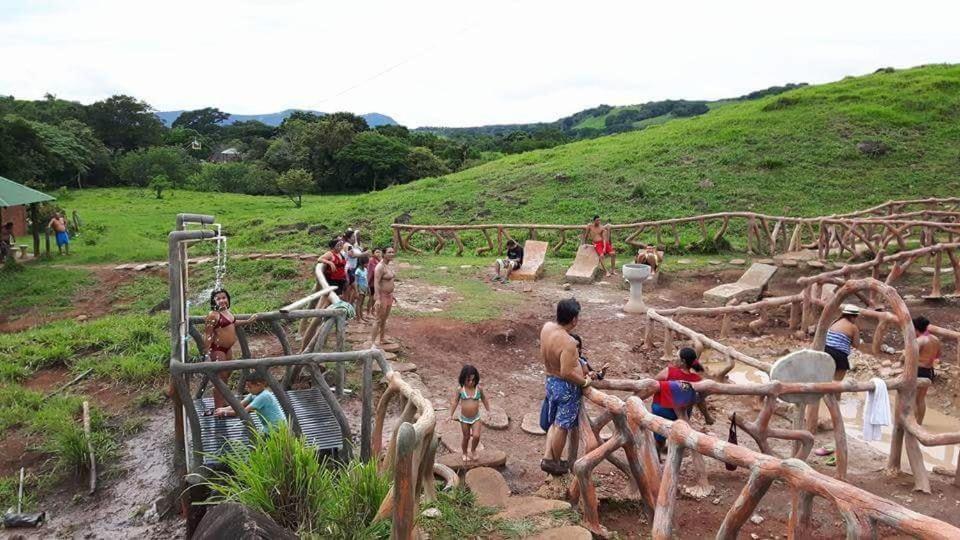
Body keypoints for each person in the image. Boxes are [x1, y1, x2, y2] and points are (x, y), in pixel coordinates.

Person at [539, 298, 589, 475]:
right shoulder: (568, 343)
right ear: (574, 319)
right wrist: (584, 382)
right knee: (562, 425)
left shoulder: (546, 328)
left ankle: (547, 457)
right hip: (565, 387)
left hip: (550, 381)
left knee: (554, 422)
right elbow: (567, 372)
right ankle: (555, 461)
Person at [204, 289, 258, 408]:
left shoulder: (227, 312)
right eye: (218, 299)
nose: (222, 300)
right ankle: (218, 408)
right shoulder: (212, 315)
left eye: (224, 297)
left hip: (227, 349)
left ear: (228, 299)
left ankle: (223, 401)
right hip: (218, 349)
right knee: (220, 379)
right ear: (214, 301)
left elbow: (233, 322)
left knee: (226, 376)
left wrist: (247, 321)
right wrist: (206, 355)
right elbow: (208, 335)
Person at [652, 347, 707, 447]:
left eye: (676, 357)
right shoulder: (697, 379)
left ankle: (659, 450)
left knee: (659, 439)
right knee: (679, 438)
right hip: (683, 415)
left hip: (662, 410)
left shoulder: (668, 371)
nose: (674, 358)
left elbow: (653, 385)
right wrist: (707, 417)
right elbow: (701, 401)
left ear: (683, 361)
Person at [213, 372, 286, 433]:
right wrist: (223, 409)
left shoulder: (264, 396)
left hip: (276, 427)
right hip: (267, 425)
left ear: (259, 385)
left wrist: (224, 413)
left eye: (250, 387)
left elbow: (243, 412)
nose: (248, 389)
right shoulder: (253, 394)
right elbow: (239, 405)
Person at [450, 364, 491, 462]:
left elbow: (484, 399)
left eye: (473, 380)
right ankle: (464, 452)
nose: (471, 382)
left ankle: (473, 450)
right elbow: (455, 402)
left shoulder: (478, 389)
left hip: (476, 418)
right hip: (464, 419)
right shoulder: (460, 390)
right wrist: (450, 415)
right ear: (463, 379)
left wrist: (488, 411)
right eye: (468, 380)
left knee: (476, 436)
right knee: (466, 437)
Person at [914, 316, 941, 425]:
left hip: (918, 371)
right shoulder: (936, 339)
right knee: (921, 399)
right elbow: (938, 356)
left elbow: (909, 358)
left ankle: (912, 423)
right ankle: (919, 423)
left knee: (913, 399)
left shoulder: (919, 341)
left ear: (915, 329)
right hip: (929, 371)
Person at [824, 304, 861, 381]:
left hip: (825, 349)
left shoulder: (835, 322)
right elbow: (856, 345)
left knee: (825, 377)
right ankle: (835, 392)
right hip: (839, 355)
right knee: (837, 381)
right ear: (852, 316)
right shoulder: (853, 327)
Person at [369, 246, 397, 346]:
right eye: (389, 252)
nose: (391, 254)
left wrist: (392, 294)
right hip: (382, 296)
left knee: (384, 319)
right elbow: (376, 282)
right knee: (378, 319)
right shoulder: (380, 267)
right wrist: (377, 299)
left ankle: (382, 339)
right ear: (384, 254)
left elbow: (390, 281)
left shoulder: (389, 265)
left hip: (389, 295)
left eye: (393, 252)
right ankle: (372, 343)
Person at [365, 248, 382, 317]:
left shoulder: (379, 261)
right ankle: (368, 312)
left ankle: (373, 311)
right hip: (372, 283)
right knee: (371, 298)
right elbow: (369, 273)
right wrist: (367, 283)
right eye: (376, 252)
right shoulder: (371, 261)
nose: (378, 254)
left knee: (375, 298)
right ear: (373, 254)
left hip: (377, 283)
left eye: (379, 252)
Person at [353, 254, 370, 322]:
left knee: (362, 303)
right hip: (360, 287)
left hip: (364, 287)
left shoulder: (365, 269)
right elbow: (356, 281)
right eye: (367, 263)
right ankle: (358, 318)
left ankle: (362, 317)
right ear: (363, 263)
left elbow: (366, 279)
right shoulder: (358, 271)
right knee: (359, 303)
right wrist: (356, 291)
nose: (367, 264)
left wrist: (368, 288)